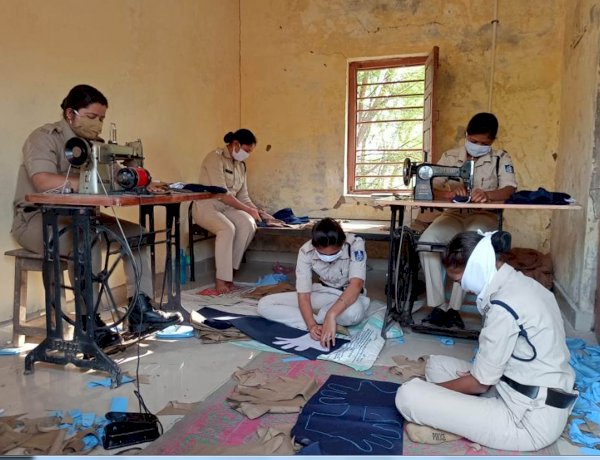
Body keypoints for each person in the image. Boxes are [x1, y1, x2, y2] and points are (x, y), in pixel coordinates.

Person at [11, 84, 181, 348]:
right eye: (91, 117)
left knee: (136, 235)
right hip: (38, 220)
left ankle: (139, 310)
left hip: (83, 217)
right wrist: (90, 180)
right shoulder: (44, 138)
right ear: (70, 114)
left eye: (101, 119)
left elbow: (116, 178)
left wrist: (139, 181)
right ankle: (87, 322)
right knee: (86, 241)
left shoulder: (96, 146)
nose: (98, 125)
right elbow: (43, 181)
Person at [395, 231, 577, 451]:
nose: (461, 287)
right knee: (436, 364)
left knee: (408, 395)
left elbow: (480, 383)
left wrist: (435, 390)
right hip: (515, 385)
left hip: (528, 419)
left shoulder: (503, 306)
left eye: (460, 280)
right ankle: (463, 421)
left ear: (476, 269)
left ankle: (459, 423)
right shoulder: (520, 283)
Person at [419, 112, 517, 329]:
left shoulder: (501, 158)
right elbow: (429, 186)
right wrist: (449, 194)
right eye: (473, 141)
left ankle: (454, 309)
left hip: (483, 215)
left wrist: (487, 195)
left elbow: (510, 189)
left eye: (484, 143)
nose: (478, 146)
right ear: (466, 135)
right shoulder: (451, 156)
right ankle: (438, 306)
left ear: (493, 141)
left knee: (469, 246)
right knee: (426, 242)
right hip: (452, 214)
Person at [257, 218, 370, 348]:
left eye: (334, 253)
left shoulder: (355, 244)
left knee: (354, 313)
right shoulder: (306, 251)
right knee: (264, 305)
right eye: (322, 253)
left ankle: (324, 318)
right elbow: (304, 295)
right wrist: (311, 325)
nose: (328, 257)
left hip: (348, 296)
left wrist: (331, 314)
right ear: (314, 246)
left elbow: (356, 285)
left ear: (342, 243)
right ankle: (320, 323)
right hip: (322, 292)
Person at [192, 129, 277, 294]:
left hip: (227, 207)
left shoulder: (241, 166)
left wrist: (258, 212)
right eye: (247, 150)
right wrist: (249, 210)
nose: (247, 155)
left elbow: (243, 197)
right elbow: (222, 194)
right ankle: (220, 280)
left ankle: (228, 275)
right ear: (236, 144)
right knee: (227, 229)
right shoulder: (214, 158)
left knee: (248, 224)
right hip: (206, 206)